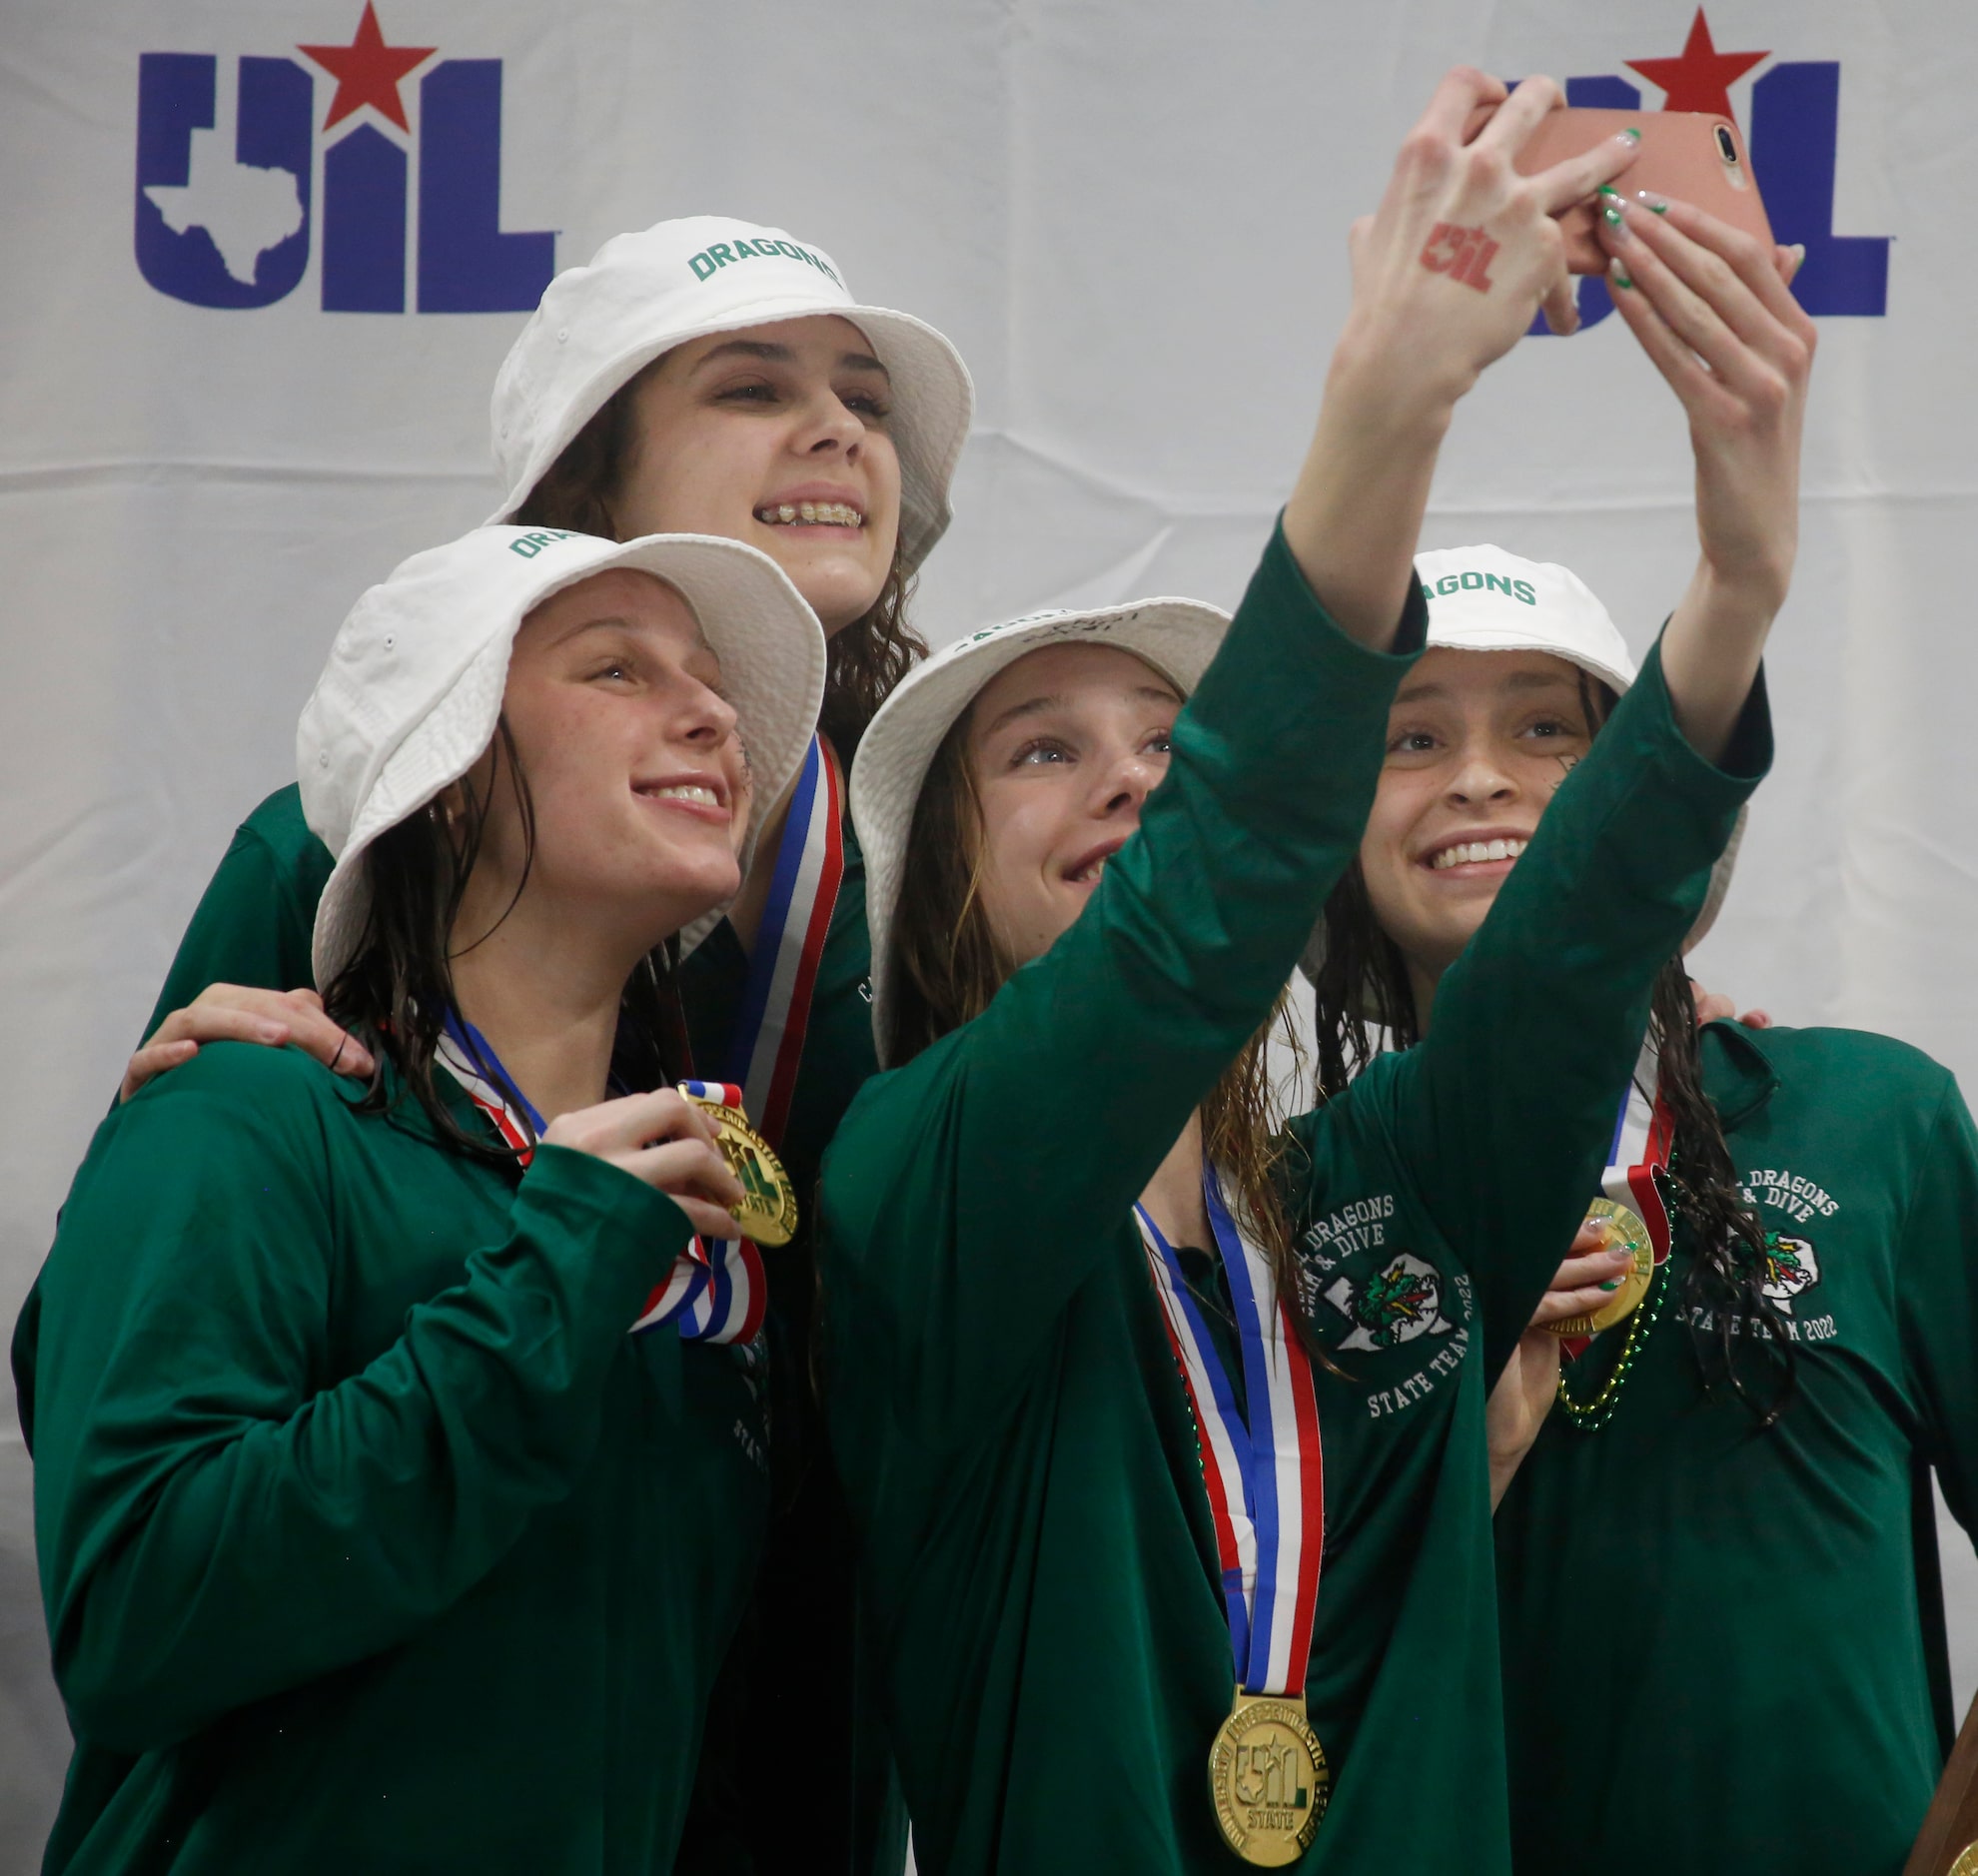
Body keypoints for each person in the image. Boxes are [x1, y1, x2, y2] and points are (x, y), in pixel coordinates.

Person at [816, 70, 1800, 1873]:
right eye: (1042, 751)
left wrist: (1735, 588)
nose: (1128, 773)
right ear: (937, 891)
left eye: (1164, 743)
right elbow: (1191, 918)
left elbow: (1568, 958)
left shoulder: (1367, 1199)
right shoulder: (917, 1180)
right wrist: (1393, 392)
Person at [110, 216, 971, 1875]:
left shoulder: (944, 857)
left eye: (863, 395)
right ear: (584, 483)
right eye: (753, 384)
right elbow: (140, 1382)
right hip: (428, 1687)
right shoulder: (338, 853)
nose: (840, 429)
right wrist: (198, 1132)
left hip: (804, 1658)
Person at [12, 524, 827, 1871]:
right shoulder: (242, 1117)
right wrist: (557, 1271)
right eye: (616, 670)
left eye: (709, 680)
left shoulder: (699, 1231)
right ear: (447, 782)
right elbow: (133, 1615)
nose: (711, 713)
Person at [1476, 659, 1978, 1856]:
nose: (1481, 779)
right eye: (1409, 741)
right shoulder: (1303, 1202)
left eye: (1547, 729)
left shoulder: (1871, 1116)